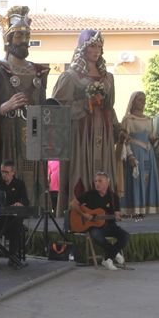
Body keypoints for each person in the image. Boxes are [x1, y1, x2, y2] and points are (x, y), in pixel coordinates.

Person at [0, 5, 49, 205]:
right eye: (18, 35)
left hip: (33, 133)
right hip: (8, 133)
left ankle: (35, 210)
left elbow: (44, 105)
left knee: (33, 173)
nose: (24, 41)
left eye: (27, 35)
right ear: (7, 39)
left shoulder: (38, 71)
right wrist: (4, 107)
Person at [52, 29, 126, 217]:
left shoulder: (108, 77)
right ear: (83, 48)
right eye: (93, 46)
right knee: (81, 170)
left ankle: (106, 212)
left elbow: (110, 107)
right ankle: (80, 212)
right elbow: (57, 109)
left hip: (105, 130)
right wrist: (85, 104)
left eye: (100, 46)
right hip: (81, 132)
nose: (97, 50)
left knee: (104, 170)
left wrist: (118, 129)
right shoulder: (70, 76)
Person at [69, 172, 130, 271]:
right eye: (96, 181)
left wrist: (118, 217)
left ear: (107, 182)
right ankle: (114, 253)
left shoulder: (113, 197)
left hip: (110, 226)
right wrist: (84, 214)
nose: (97, 183)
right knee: (97, 235)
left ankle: (108, 258)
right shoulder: (90, 194)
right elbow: (73, 204)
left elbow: (117, 214)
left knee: (125, 236)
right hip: (94, 227)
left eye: (100, 181)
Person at [120, 91, 159, 215]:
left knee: (148, 180)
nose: (143, 102)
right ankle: (135, 209)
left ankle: (149, 208)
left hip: (148, 153)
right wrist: (130, 155)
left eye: (144, 99)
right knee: (136, 180)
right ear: (133, 101)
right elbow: (125, 140)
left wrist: (156, 140)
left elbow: (151, 136)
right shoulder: (128, 119)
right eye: (140, 99)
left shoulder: (149, 119)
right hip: (136, 152)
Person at [0, 159, 29, 263]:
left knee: (16, 227)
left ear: (13, 172)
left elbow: (25, 200)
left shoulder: (19, 184)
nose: (4, 175)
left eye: (6, 172)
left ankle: (13, 257)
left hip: (13, 218)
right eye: (2, 172)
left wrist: (20, 203)